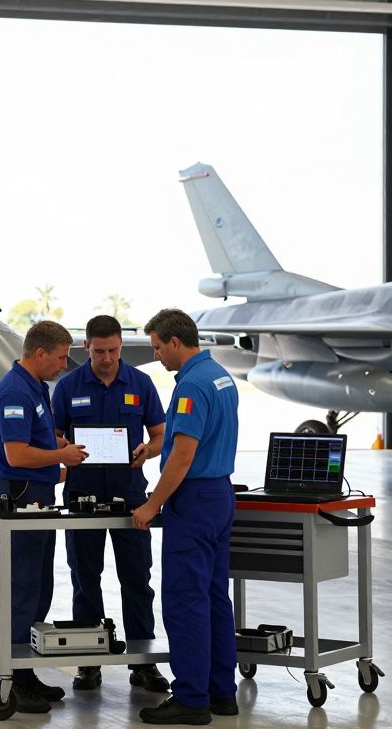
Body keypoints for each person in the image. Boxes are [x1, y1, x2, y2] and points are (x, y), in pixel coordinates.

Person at [132, 309, 240, 725]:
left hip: (192, 501)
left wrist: (152, 504)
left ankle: (191, 699)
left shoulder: (191, 385)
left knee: (184, 601)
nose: (157, 355)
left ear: (175, 342)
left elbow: (183, 454)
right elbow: (197, 438)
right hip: (219, 495)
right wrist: (153, 449)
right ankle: (221, 693)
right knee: (214, 597)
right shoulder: (219, 376)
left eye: (158, 347)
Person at [50, 315, 169, 693]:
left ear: (121, 346)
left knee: (137, 579)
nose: (107, 358)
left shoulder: (141, 384)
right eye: (99, 351)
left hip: (130, 496)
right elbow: (53, 433)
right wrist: (64, 450)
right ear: (85, 348)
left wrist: (147, 451)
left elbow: (161, 433)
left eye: (114, 350)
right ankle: (89, 662)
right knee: (86, 580)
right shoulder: (67, 386)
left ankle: (143, 663)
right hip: (81, 496)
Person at [0, 320, 89, 713]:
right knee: (20, 587)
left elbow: (34, 443)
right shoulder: (15, 390)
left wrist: (56, 448)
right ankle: (8, 678)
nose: (65, 365)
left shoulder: (35, 389)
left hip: (39, 495)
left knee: (39, 587)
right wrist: (59, 457)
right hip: (21, 495)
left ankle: (23, 671)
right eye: (61, 357)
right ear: (40, 353)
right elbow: (17, 455)